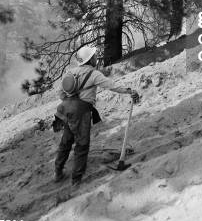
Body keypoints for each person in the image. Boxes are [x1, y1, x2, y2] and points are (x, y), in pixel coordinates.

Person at [54, 45, 139, 188]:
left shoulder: (71, 72)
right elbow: (111, 86)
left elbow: (61, 93)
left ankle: (57, 172)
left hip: (66, 109)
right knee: (82, 144)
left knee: (66, 141)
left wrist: (70, 103)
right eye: (94, 57)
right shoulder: (94, 74)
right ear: (90, 60)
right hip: (82, 112)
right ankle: (76, 180)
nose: (96, 58)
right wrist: (128, 91)